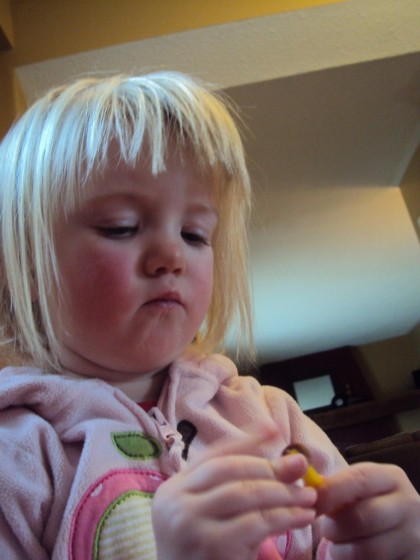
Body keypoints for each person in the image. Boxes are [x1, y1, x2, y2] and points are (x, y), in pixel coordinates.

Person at [0, 71, 418, 560]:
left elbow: (330, 537)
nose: (171, 255)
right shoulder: (17, 458)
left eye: (195, 234)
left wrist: (380, 545)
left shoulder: (272, 417)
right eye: (121, 227)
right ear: (25, 264)